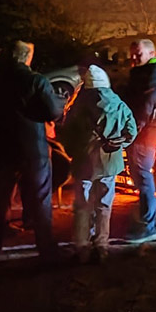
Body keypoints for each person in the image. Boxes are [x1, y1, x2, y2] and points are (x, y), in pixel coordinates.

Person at [0, 40, 65, 263]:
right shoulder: (36, 80)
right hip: (32, 149)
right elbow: (53, 111)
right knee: (40, 199)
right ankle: (46, 251)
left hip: (0, 149)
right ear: (27, 57)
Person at [59, 65, 137, 263]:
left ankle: (82, 246)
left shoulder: (78, 106)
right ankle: (101, 245)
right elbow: (131, 131)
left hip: (84, 162)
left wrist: (73, 152)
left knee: (83, 205)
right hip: (109, 162)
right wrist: (119, 144)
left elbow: (67, 134)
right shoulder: (118, 103)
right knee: (104, 204)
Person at [121, 39, 156, 244]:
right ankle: (146, 223)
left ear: (152, 53)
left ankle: (149, 226)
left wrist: (131, 132)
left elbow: (145, 107)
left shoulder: (154, 75)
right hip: (143, 133)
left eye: (138, 54)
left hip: (145, 134)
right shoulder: (143, 73)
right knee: (140, 176)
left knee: (142, 176)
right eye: (132, 54)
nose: (134, 58)